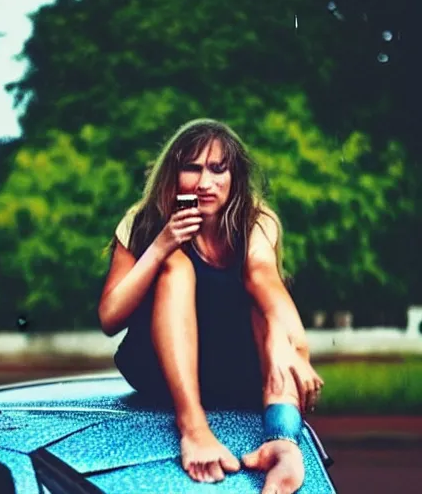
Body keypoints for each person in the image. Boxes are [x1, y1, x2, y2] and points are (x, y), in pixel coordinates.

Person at [98, 119, 324, 492]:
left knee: (262, 305)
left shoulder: (255, 220)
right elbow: (109, 317)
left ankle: (283, 441)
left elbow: (264, 278)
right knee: (176, 265)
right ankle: (194, 428)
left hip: (233, 370)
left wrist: (296, 348)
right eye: (193, 168)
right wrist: (161, 245)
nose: (206, 183)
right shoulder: (142, 220)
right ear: (174, 172)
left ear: (235, 175)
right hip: (159, 370)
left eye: (218, 169)